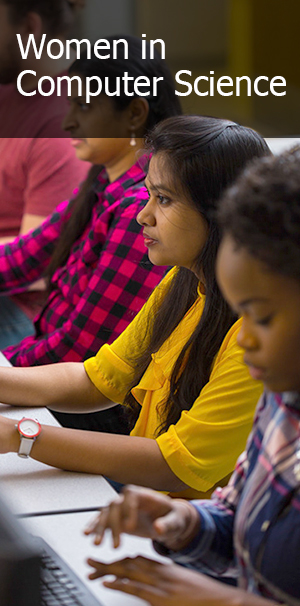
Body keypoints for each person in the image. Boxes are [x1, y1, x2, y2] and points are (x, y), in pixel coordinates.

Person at [0, 115, 269, 494]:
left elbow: (174, 466)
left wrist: (21, 436)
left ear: (221, 212)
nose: (144, 215)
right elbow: (99, 378)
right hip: (147, 503)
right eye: (148, 195)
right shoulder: (186, 279)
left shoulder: (256, 333)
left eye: (164, 199)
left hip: (187, 529)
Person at [84, 147, 300, 606]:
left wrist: (225, 601)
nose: (242, 339)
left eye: (260, 317)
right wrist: (186, 523)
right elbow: (235, 515)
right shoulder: (284, 402)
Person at [0, 35, 182, 432]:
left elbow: (78, 349)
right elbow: (19, 258)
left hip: (89, 408)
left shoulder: (140, 208)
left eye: (84, 107)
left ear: (135, 112)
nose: (67, 123)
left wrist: (7, 364)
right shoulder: (105, 181)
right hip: (54, 371)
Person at [0, 0, 89, 346]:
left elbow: (36, 268)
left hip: (21, 308)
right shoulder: (9, 89)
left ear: (29, 29)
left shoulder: (61, 124)